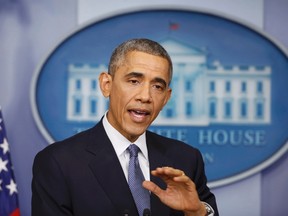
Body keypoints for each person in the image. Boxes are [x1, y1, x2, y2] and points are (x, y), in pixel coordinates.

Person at [32, 38, 218, 216]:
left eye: (157, 86)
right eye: (134, 81)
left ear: (166, 98)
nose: (145, 96)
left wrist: (197, 213)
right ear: (107, 85)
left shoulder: (187, 160)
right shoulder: (58, 162)